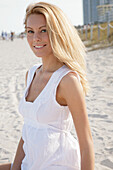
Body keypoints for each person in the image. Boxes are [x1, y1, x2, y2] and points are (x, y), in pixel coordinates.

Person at [0, 2, 95, 170]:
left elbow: (86, 142)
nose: (36, 38)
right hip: (31, 163)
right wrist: (16, 167)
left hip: (58, 164)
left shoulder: (67, 81)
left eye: (43, 30)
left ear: (57, 32)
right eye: (30, 31)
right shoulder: (31, 74)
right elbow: (28, 130)